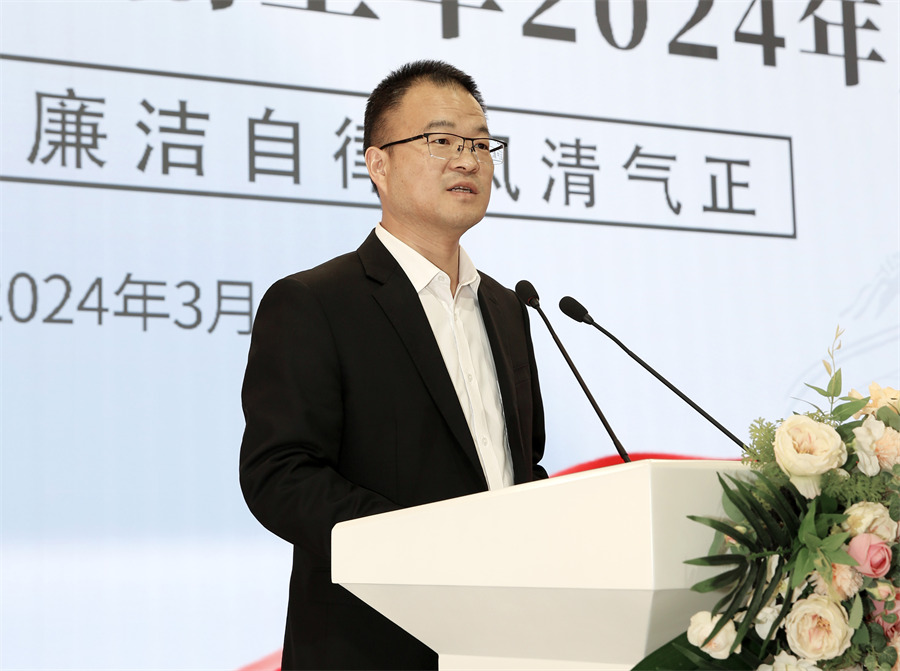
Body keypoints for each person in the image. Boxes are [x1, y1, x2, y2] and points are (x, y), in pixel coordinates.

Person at [239, 60, 547, 671]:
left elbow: (518, 467)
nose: (467, 161)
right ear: (378, 165)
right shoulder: (315, 302)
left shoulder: (509, 309)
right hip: (371, 643)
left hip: (501, 641)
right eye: (441, 141)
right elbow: (280, 475)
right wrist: (423, 546)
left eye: (480, 144)